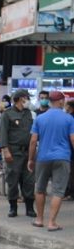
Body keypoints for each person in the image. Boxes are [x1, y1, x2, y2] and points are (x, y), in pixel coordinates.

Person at [28, 90, 74, 231]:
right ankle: (52, 222)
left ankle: (39, 219)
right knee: (58, 191)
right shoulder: (69, 119)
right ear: (60, 101)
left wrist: (30, 159)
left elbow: (33, 140)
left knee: (40, 189)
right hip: (62, 158)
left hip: (43, 158)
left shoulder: (40, 118)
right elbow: (73, 139)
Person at [0, 89, 36, 217]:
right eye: (27, 98)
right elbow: (3, 133)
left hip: (29, 153)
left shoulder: (30, 114)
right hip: (14, 152)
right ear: (21, 99)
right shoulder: (7, 114)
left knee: (29, 180)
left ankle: (30, 207)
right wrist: (5, 150)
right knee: (13, 180)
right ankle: (13, 207)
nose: (29, 101)